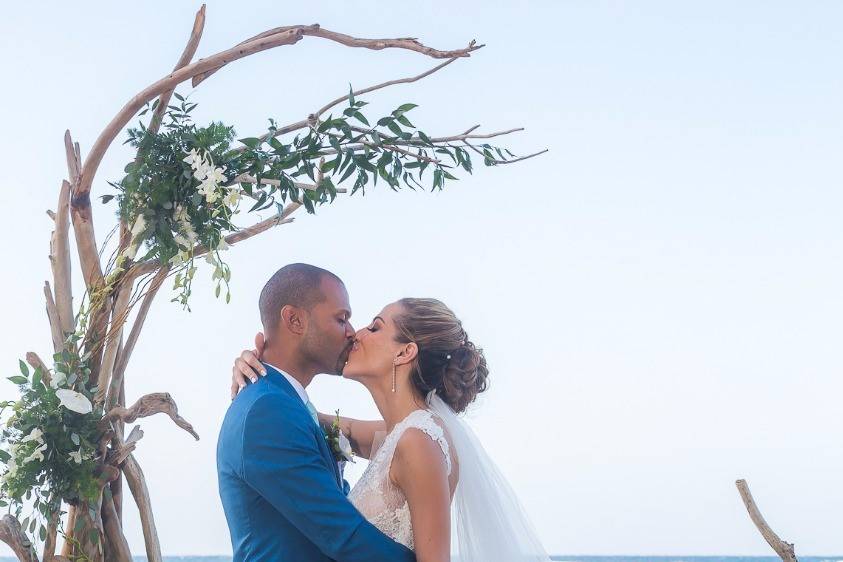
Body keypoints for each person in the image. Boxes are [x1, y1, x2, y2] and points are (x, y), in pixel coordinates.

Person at [230, 267, 553, 562]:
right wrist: (264, 375)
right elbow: (305, 421)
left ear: (405, 351)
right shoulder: (399, 434)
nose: (355, 333)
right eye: (344, 319)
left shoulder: (419, 440)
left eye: (375, 327)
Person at [216, 263, 415, 562]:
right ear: (294, 320)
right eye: (341, 318)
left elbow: (408, 437)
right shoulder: (267, 411)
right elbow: (343, 536)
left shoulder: (283, 405)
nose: (352, 332)